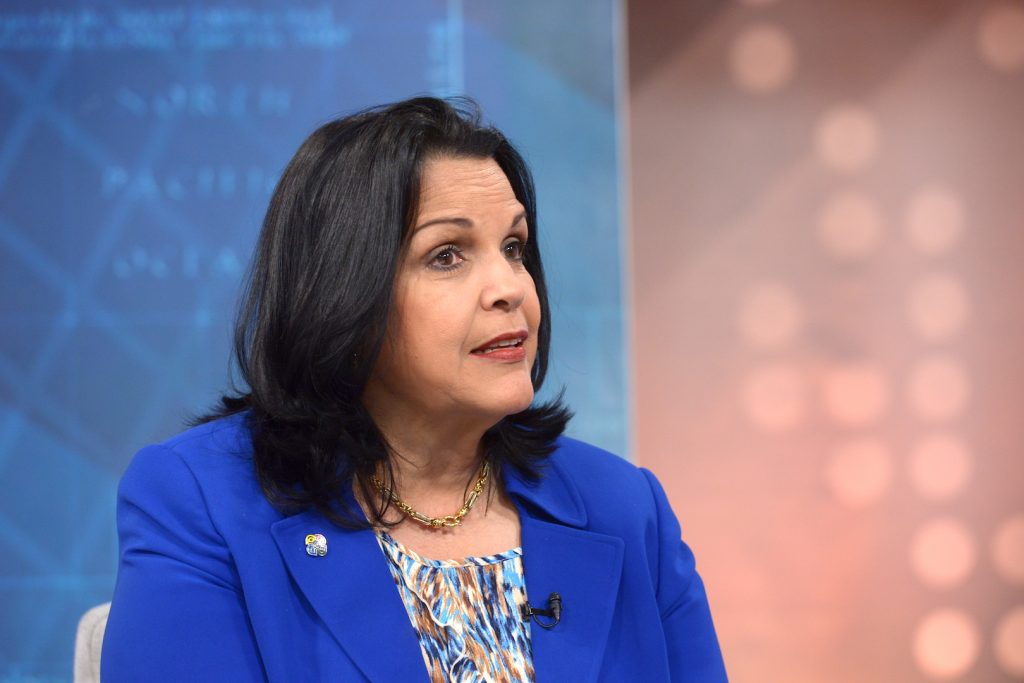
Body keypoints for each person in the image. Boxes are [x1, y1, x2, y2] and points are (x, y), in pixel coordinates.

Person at [101, 96, 729, 682]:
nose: (511, 287)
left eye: (514, 247)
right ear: (342, 292)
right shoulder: (202, 502)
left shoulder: (625, 507)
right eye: (447, 255)